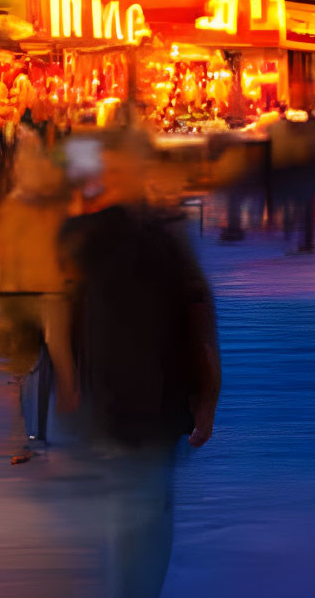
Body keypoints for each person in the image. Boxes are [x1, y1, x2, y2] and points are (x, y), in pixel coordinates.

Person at [51, 126, 220, 598]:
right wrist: (206, 398)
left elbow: (194, 318)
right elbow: (198, 319)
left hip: (125, 406)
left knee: (134, 525)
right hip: (146, 408)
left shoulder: (95, 238)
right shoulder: (156, 239)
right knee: (145, 521)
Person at [0, 136, 68, 462]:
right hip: (36, 292)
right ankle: (35, 433)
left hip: (33, 292)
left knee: (37, 365)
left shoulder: (35, 205)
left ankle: (35, 434)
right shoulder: (35, 206)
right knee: (40, 365)